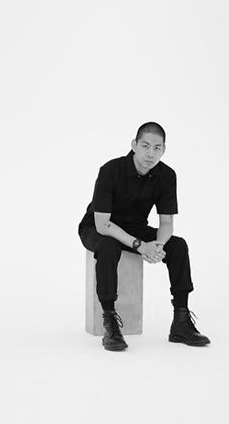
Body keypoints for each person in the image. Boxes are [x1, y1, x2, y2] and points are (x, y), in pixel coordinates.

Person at [78, 122, 210, 351]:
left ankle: (181, 321)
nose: (151, 154)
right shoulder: (111, 170)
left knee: (178, 246)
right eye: (145, 146)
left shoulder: (166, 175)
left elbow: (166, 223)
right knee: (109, 246)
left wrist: (157, 246)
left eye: (157, 148)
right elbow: (103, 224)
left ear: (164, 150)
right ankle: (110, 322)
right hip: (98, 227)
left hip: (135, 227)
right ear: (134, 145)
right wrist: (139, 245)